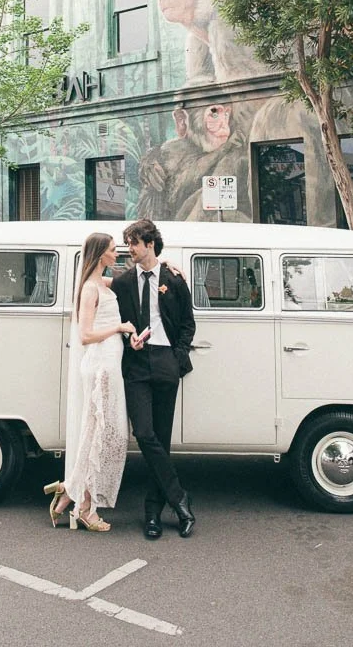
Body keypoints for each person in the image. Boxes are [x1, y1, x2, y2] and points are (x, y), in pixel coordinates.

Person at [110, 218, 197, 539]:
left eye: (133, 243)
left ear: (150, 244)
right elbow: (115, 321)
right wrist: (125, 341)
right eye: (128, 242)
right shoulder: (121, 282)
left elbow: (188, 323)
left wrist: (177, 357)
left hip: (165, 362)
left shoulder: (174, 279)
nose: (128, 249)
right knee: (144, 434)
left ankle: (152, 514)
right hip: (136, 364)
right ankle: (180, 499)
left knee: (161, 440)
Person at [43, 233, 135, 532]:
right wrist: (119, 327)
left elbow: (128, 280)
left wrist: (168, 264)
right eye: (112, 250)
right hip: (101, 367)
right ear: (99, 255)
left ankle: (69, 491)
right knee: (102, 434)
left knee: (103, 433)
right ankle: (83, 506)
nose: (116, 253)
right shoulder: (89, 290)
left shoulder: (100, 284)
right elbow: (85, 335)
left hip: (109, 365)